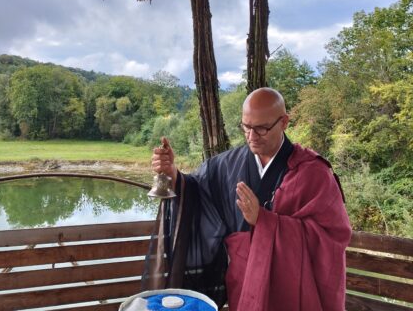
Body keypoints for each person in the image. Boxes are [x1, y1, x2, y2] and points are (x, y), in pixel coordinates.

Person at [144, 87, 351, 311]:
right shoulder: (227, 165)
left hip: (289, 288)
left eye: (261, 129)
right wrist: (173, 175)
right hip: (243, 282)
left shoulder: (312, 173)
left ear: (284, 122)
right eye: (246, 127)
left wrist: (264, 221)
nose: (252, 137)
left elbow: (331, 237)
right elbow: (197, 193)